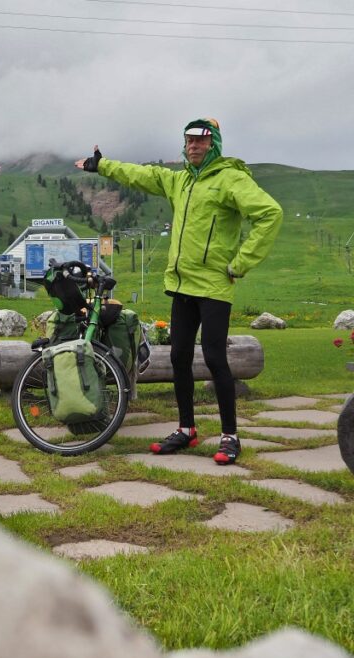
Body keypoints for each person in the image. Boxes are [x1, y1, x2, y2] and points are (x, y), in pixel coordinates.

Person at [75, 118, 282, 465]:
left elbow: (270, 214)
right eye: (188, 140)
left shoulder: (231, 179)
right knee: (178, 358)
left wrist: (240, 263)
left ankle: (230, 436)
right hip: (182, 284)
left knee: (215, 358)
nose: (193, 146)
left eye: (200, 141)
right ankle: (186, 429)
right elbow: (141, 176)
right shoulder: (179, 181)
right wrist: (103, 165)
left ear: (213, 143)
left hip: (215, 285)